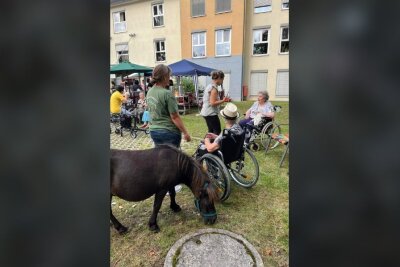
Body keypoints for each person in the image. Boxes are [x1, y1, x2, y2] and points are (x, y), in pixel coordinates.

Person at [146, 64, 191, 148]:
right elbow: (175, 117)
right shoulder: (167, 94)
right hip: (168, 132)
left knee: (160, 159)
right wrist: (186, 133)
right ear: (164, 77)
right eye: (169, 76)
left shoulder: (150, 92)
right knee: (172, 160)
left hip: (154, 131)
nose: (169, 78)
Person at [200, 70, 230, 135]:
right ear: (219, 78)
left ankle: (209, 144)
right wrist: (223, 100)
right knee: (217, 132)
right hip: (211, 113)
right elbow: (212, 103)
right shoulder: (214, 88)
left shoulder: (210, 86)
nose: (222, 82)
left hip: (206, 112)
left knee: (211, 131)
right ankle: (214, 144)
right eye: (222, 80)